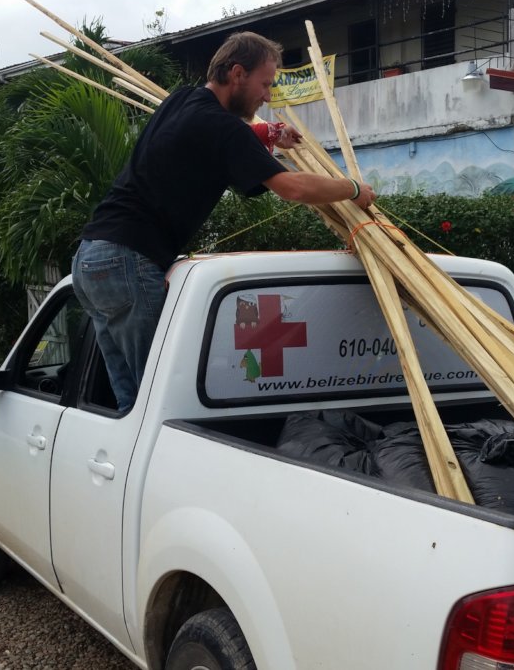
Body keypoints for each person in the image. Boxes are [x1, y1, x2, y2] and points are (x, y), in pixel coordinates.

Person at [72, 31, 375, 412]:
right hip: (129, 263)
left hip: (90, 261)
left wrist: (268, 133)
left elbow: (216, 137)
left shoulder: (183, 100)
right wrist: (352, 189)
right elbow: (292, 187)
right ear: (237, 73)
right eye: (265, 84)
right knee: (155, 404)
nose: (268, 97)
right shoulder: (223, 128)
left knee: (131, 402)